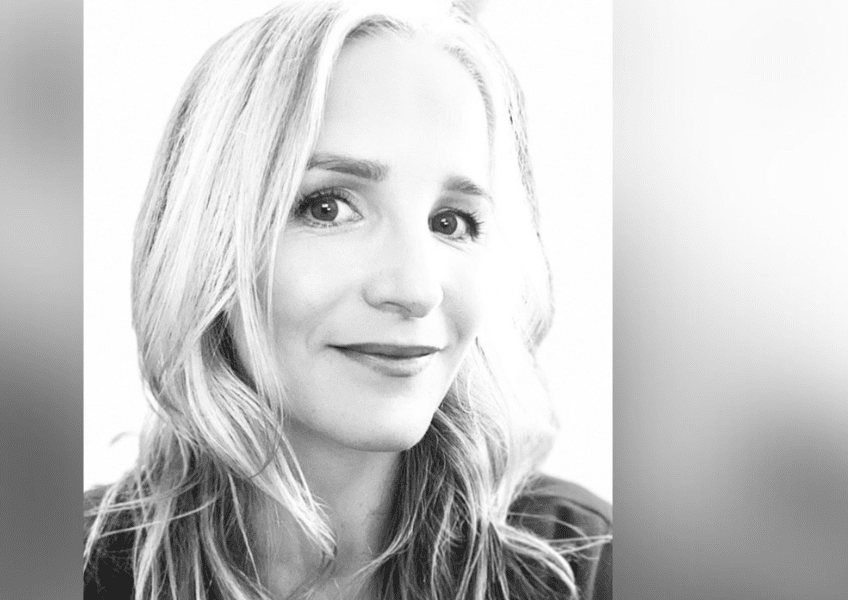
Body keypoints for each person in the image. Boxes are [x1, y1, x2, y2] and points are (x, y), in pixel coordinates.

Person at [84, 1, 611, 598]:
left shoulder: (588, 569)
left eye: (452, 222)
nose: (416, 290)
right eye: (328, 207)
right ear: (207, 240)